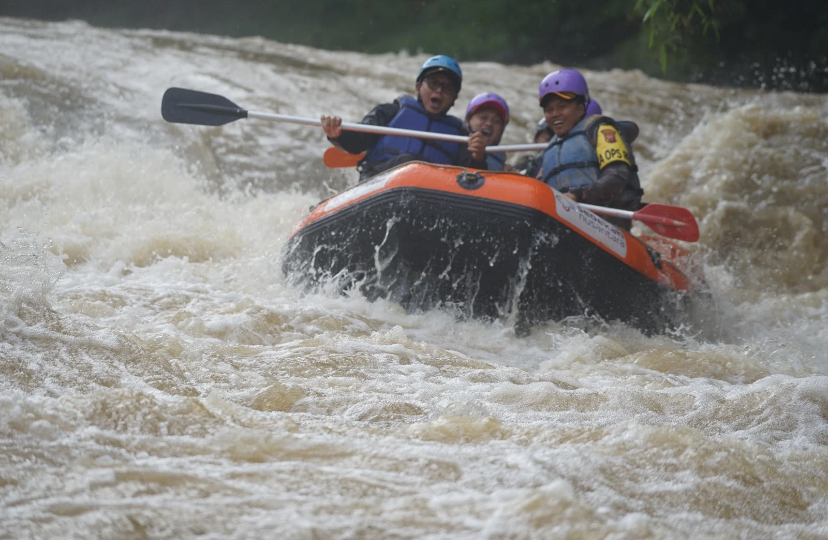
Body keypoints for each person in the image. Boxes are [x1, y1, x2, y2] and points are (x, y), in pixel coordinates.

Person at [321, 55, 487, 180]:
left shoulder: (460, 134)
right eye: (433, 83)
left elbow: (471, 177)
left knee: (416, 166)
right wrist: (338, 134)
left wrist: (478, 157)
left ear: (454, 99)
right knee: (411, 163)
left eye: (448, 88)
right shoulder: (391, 111)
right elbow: (359, 141)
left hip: (432, 190)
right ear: (417, 87)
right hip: (379, 180)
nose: (439, 91)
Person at [535, 69, 643, 229]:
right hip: (565, 224)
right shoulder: (550, 148)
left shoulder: (601, 131)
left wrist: (578, 193)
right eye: (549, 110)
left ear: (580, 108)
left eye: (562, 106)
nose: (555, 114)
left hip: (608, 224)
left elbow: (617, 177)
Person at [464, 92, 509, 171]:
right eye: (483, 117)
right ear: (467, 121)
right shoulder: (454, 147)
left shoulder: (504, 167)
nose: (489, 123)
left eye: (497, 121)